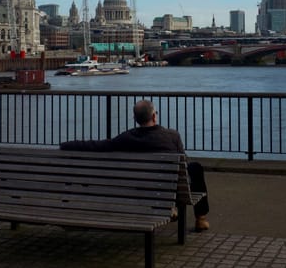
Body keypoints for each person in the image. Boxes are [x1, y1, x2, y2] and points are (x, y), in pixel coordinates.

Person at [59, 99, 210, 231]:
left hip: (140, 188)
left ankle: (171, 208)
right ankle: (200, 219)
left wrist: (67, 145)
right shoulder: (171, 135)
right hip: (169, 188)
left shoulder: (127, 138)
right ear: (154, 116)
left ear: (135, 118)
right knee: (194, 168)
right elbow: (184, 161)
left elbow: (99, 145)